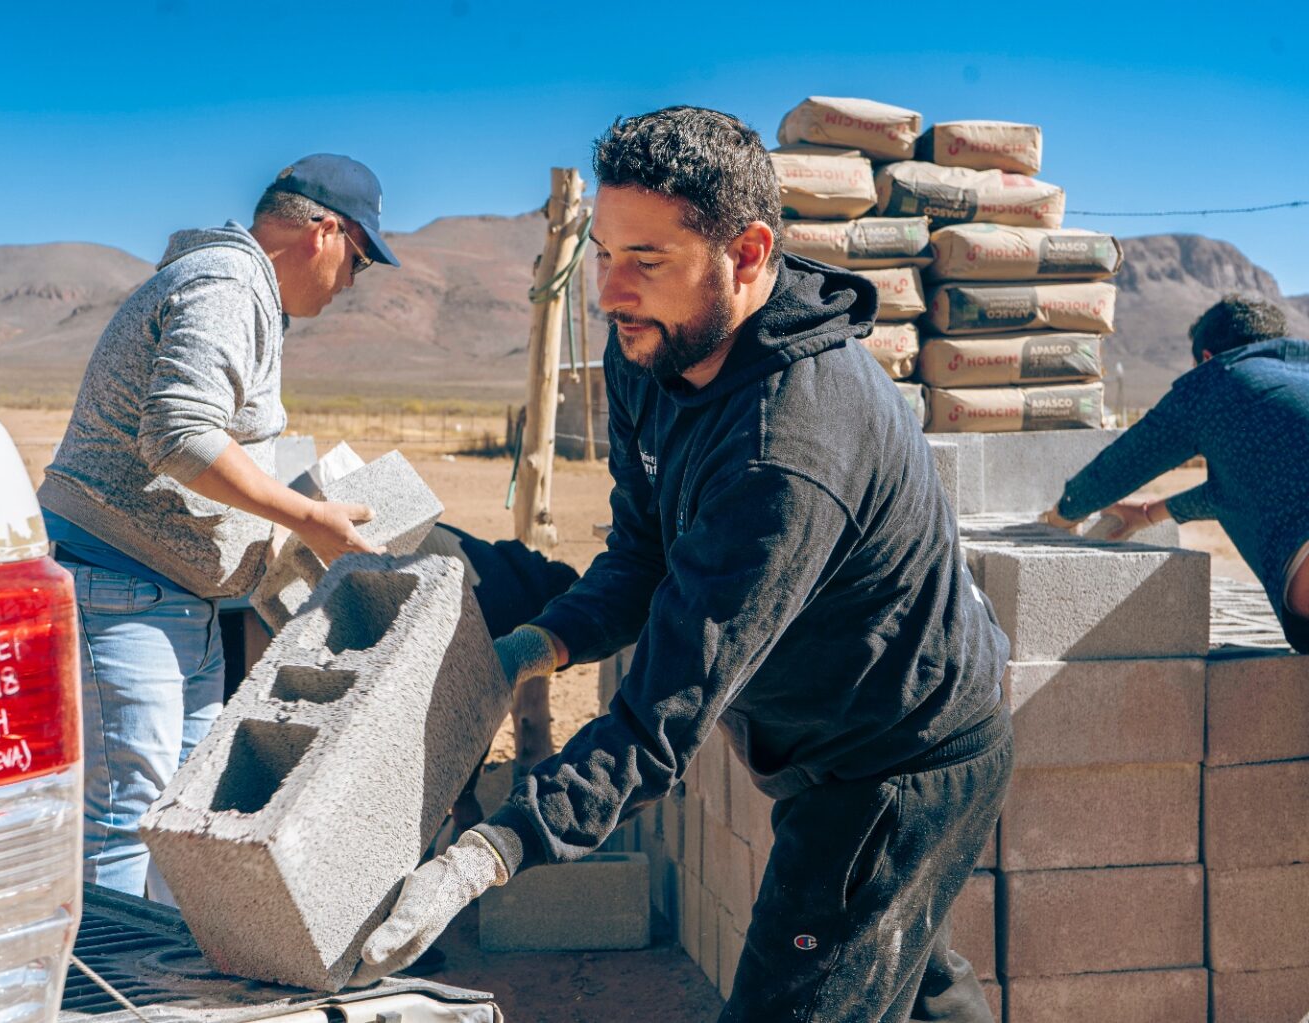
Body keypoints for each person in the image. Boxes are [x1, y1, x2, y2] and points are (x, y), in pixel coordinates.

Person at [354, 107, 1012, 1023]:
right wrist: (531, 649)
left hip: (896, 757)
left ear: (747, 254)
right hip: (819, 731)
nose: (611, 291)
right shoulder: (651, 350)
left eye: (647, 260)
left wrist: (487, 854)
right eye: (603, 254)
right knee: (907, 974)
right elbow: (642, 556)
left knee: (814, 986)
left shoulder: (789, 450)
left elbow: (665, 712)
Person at [37, 155, 399, 897]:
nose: (349, 286)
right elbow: (180, 434)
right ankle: (112, 972)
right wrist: (308, 518)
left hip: (171, 599)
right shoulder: (230, 285)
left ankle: (159, 967)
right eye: (358, 263)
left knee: (178, 817)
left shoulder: (240, 290)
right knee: (127, 816)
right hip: (124, 591)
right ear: (325, 232)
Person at [1042, 295, 1309, 652]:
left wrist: (1061, 515)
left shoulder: (1215, 381)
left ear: (1206, 359)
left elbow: (1122, 465)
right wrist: (1150, 513)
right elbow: (1241, 493)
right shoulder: (1290, 387)